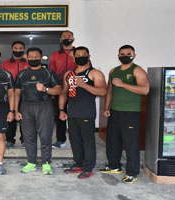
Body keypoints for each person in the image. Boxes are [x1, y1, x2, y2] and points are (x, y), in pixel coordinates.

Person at [101, 44, 148, 184]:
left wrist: (123, 84)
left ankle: (132, 172)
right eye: (122, 54)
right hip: (115, 111)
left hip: (130, 112)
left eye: (128, 54)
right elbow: (110, 90)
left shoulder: (138, 70)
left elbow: (145, 90)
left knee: (131, 143)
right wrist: (107, 107)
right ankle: (114, 166)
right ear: (118, 56)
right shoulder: (113, 71)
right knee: (113, 141)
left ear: (134, 55)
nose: (125, 56)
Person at [60, 45, 106, 179]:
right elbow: (63, 92)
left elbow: (103, 91)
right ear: (74, 58)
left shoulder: (95, 73)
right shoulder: (68, 74)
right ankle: (78, 164)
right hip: (72, 113)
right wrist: (62, 109)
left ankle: (88, 167)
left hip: (86, 112)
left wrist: (84, 85)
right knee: (74, 140)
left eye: (83, 55)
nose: (81, 58)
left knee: (88, 141)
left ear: (89, 57)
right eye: (78, 56)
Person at [16, 46, 61, 174]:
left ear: (41, 58)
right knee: (28, 136)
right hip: (26, 106)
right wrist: (16, 110)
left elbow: (58, 90)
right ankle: (31, 162)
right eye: (31, 57)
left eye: (36, 57)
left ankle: (46, 163)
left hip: (44, 106)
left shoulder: (48, 73)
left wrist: (46, 89)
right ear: (27, 58)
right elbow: (17, 93)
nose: (33, 59)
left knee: (45, 136)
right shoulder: (22, 74)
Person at [49, 30, 77, 148]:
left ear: (73, 39)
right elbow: (51, 73)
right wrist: (53, 90)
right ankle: (61, 140)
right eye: (64, 36)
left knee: (76, 115)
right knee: (60, 114)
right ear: (61, 39)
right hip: (60, 88)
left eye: (69, 36)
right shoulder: (54, 55)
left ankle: (76, 140)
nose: (66, 38)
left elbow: (87, 67)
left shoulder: (79, 53)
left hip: (76, 87)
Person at [2, 40, 28, 148]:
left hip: (25, 94)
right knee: (10, 116)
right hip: (10, 94)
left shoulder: (28, 63)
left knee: (25, 118)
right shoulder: (5, 64)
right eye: (16, 48)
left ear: (24, 49)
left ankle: (24, 139)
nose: (18, 50)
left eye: (20, 48)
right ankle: (10, 139)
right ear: (12, 49)